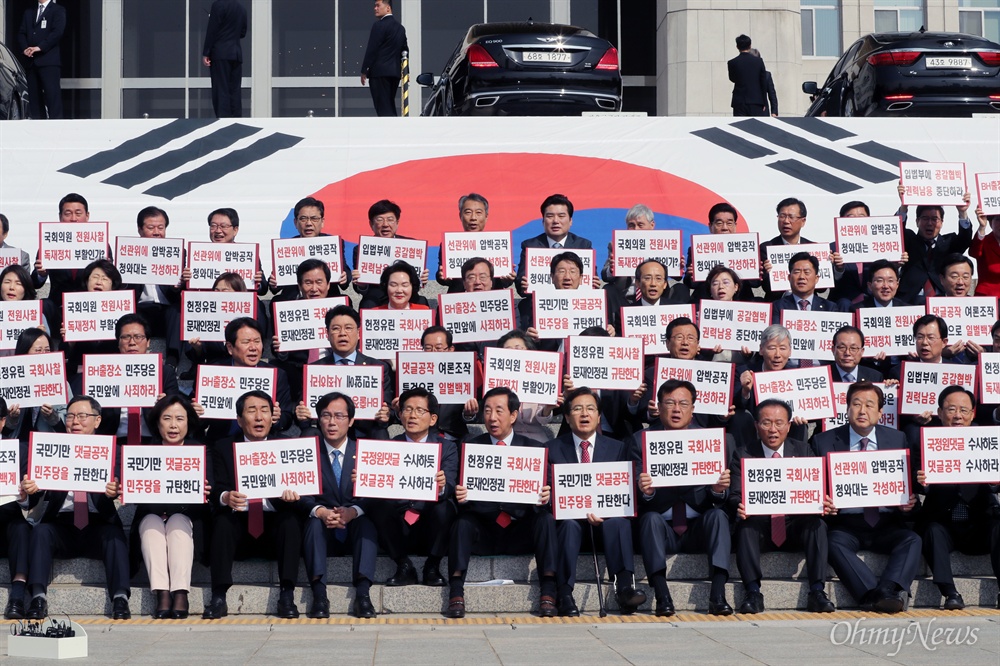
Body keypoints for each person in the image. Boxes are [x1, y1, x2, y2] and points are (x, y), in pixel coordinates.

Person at [446, 387, 557, 618]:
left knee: (545, 519)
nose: (492, 418)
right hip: (484, 528)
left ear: (514, 415)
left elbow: (545, 494)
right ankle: (456, 591)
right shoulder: (471, 446)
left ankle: (548, 590)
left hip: (519, 528)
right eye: (487, 411)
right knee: (462, 522)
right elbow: (459, 492)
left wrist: (544, 497)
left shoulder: (533, 449)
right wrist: (461, 494)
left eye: (499, 410)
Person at [810, 381, 921, 613]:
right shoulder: (823, 441)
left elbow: (907, 484)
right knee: (831, 543)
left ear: (881, 412)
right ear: (847, 408)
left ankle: (887, 589)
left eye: (870, 405)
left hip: (886, 522)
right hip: (846, 524)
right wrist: (823, 501)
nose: (862, 411)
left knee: (912, 540)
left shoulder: (897, 439)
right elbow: (814, 485)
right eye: (856, 404)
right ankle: (875, 594)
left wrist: (908, 502)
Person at [21, 396, 131, 620]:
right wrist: (29, 490)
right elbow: (34, 500)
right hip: (61, 524)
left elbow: (128, 488)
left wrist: (116, 490)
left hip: (98, 522)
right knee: (41, 532)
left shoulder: (113, 451)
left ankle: (120, 598)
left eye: (82, 416)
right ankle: (38, 597)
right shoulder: (51, 450)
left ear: (97, 421)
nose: (75, 422)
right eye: (70, 416)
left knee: (114, 536)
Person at [630, 380, 734, 616]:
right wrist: (646, 491)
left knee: (719, 516)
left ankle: (718, 594)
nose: (676, 409)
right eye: (670, 403)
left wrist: (718, 489)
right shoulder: (640, 440)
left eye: (683, 403)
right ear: (658, 406)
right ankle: (662, 595)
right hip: (662, 528)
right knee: (649, 520)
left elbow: (721, 497)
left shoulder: (712, 441)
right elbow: (636, 494)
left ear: (693, 408)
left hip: (699, 525)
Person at [546, 387, 646, 617]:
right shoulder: (552, 449)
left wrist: (606, 512)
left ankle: (624, 590)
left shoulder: (617, 447)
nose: (584, 414)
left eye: (590, 409)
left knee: (619, 522)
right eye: (577, 409)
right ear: (568, 417)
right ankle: (565, 593)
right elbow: (550, 493)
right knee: (569, 525)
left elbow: (624, 492)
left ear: (599, 417)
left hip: (605, 521)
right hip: (570, 523)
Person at [728, 399, 835, 614]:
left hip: (795, 524)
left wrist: (823, 503)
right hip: (762, 526)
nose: (773, 429)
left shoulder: (804, 451)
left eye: (779, 423)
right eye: (766, 423)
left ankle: (817, 591)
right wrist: (739, 505)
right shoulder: (744, 453)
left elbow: (817, 490)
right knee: (746, 527)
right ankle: (752, 591)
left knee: (818, 525)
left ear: (788, 426)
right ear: (757, 426)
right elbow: (734, 495)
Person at [203, 390, 303, 619]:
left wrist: (293, 495)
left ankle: (287, 594)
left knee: (291, 521)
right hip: (239, 526)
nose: (259, 417)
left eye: (264, 410)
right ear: (239, 420)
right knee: (223, 521)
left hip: (274, 526)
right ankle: (218, 596)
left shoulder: (287, 446)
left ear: (272, 417)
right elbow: (216, 490)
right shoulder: (223, 447)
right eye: (251, 411)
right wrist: (226, 496)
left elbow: (304, 490)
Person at [916, 386, 1000, 610]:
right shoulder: (925, 441)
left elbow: (994, 481)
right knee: (932, 530)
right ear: (940, 412)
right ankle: (950, 593)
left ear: (973, 414)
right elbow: (914, 485)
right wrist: (922, 482)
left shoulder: (987, 440)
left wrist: (994, 481)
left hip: (979, 523)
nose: (957, 416)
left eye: (964, 410)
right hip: (944, 524)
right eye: (951, 409)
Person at [297, 392, 380, 619]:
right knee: (312, 524)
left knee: (367, 526)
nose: (332, 422)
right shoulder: (306, 452)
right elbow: (301, 493)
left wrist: (354, 511)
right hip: (324, 524)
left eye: (339, 416)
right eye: (326, 415)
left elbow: (377, 492)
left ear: (351, 421)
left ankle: (363, 595)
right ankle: (319, 595)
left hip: (353, 524)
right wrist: (320, 511)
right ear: (318, 419)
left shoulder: (366, 452)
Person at [366, 387, 456, 591]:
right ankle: (403, 565)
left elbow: (450, 485)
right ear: (399, 415)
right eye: (407, 410)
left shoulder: (447, 448)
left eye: (419, 410)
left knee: (447, 506)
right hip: (398, 524)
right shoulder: (389, 446)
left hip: (429, 523)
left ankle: (432, 566)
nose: (412, 415)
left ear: (433, 419)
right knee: (376, 504)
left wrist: (442, 486)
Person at [133, 395, 209, 619]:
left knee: (177, 523)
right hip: (152, 513)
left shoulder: (201, 450)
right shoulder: (143, 452)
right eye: (167, 418)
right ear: (157, 423)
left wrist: (206, 490)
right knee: (151, 525)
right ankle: (162, 593)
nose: (173, 425)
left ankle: (180, 592)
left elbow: (213, 491)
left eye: (179, 418)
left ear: (189, 422)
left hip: (188, 516)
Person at [294, 305, 393, 441]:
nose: (342, 333)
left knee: (380, 433)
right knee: (309, 432)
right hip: (328, 433)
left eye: (348, 328)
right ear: (327, 334)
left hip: (364, 432)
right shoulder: (315, 369)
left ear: (358, 333)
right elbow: (304, 408)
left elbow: (390, 410)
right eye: (336, 329)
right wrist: (302, 415)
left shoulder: (377, 367)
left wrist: (385, 414)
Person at [203, 317, 293, 442]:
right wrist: (197, 412)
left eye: (257, 341)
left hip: (263, 442)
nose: (253, 348)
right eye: (246, 342)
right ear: (230, 348)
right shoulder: (211, 374)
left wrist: (278, 418)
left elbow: (287, 418)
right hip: (222, 442)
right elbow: (198, 420)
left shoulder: (277, 374)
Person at [126, 207, 183, 369]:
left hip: (167, 311)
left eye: (161, 228)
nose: (157, 232)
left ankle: (172, 362)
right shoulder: (128, 253)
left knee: (177, 310)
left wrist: (179, 285)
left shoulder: (178, 253)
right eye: (151, 228)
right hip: (140, 310)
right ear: (140, 230)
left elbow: (183, 292)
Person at [896, 184, 973, 303]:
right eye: (925, 218)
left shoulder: (949, 242)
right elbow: (896, 231)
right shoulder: (909, 239)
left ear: (942, 222)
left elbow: (965, 239)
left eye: (934, 219)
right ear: (917, 221)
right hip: (909, 300)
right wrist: (904, 207)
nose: (930, 223)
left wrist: (962, 212)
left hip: (942, 299)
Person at [269, 196, 350, 300]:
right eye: (303, 219)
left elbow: (345, 275)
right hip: (294, 298)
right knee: (276, 302)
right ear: (295, 223)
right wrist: (273, 282)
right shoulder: (286, 247)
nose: (308, 223)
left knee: (346, 300)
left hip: (326, 296)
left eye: (314, 218)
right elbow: (274, 288)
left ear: (322, 222)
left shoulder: (332, 244)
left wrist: (345, 277)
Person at [351, 200, 427, 309]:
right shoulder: (361, 249)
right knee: (367, 304)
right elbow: (362, 289)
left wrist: (421, 279)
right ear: (371, 224)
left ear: (397, 223)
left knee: (421, 302)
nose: (385, 224)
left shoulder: (411, 246)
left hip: (405, 294)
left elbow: (415, 284)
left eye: (390, 220)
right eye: (380, 220)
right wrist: (361, 284)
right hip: (377, 296)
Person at [516, 194, 593, 298]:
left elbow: (590, 283)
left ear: (570, 221)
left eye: (561, 216)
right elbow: (520, 284)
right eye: (550, 216)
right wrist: (523, 285)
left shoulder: (583, 246)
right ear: (543, 221)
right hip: (540, 303)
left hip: (574, 304)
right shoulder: (530, 246)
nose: (556, 221)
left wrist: (594, 284)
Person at [436, 194, 516, 293]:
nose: (473, 218)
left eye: (478, 213)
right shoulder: (449, 244)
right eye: (468, 212)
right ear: (460, 216)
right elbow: (442, 277)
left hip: (493, 297)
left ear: (486, 217)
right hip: (459, 297)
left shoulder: (498, 244)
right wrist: (442, 276)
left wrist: (508, 278)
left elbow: (504, 282)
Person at [1, 329, 66, 441]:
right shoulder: (7, 382)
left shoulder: (61, 383)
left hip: (47, 446)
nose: (44, 355)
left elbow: (67, 427)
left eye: (47, 350)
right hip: (16, 446)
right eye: (38, 350)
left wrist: (53, 417)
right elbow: (4, 431)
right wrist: (12, 418)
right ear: (24, 352)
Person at [496, 330, 560, 442]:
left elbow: (543, 420)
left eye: (518, 348)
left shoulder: (541, 378)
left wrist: (547, 409)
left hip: (537, 440)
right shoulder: (495, 380)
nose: (514, 353)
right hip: (506, 438)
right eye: (508, 350)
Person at [0, 397, 31, 620]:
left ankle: (18, 597)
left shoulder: (17, 451)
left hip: (7, 523)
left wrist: (23, 497)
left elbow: (31, 502)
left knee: (21, 528)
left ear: (2, 422)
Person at [17, 0, 66, 119]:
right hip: (32, 62)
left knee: (52, 97)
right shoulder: (29, 12)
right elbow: (21, 33)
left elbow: (57, 32)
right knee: (34, 100)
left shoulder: (58, 10)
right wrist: (25, 49)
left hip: (49, 62)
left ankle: (57, 129)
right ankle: (38, 130)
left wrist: (40, 47)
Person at [361, 0, 408, 116]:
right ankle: (394, 128)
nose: (375, 8)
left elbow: (372, 48)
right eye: (374, 6)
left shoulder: (379, 25)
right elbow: (405, 51)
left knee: (382, 107)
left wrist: (364, 70)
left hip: (379, 73)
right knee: (388, 103)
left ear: (388, 8)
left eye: (378, 6)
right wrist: (406, 71)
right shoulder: (400, 28)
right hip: (394, 74)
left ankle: (390, 132)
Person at [202, 0, 247, 118]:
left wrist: (206, 52)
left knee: (221, 88)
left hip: (220, 52)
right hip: (236, 53)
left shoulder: (218, 5)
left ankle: (223, 118)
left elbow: (212, 30)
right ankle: (236, 118)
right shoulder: (241, 8)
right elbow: (243, 33)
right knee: (234, 89)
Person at [727, 34, 768, 117]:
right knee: (755, 128)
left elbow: (732, 78)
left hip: (739, 101)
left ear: (737, 46)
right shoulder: (758, 61)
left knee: (740, 126)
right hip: (756, 100)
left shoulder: (732, 62)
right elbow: (763, 82)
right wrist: (764, 101)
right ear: (750, 46)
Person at [970, 208, 1000, 298]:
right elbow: (974, 253)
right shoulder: (984, 241)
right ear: (990, 223)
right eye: (998, 220)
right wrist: (982, 227)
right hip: (988, 296)